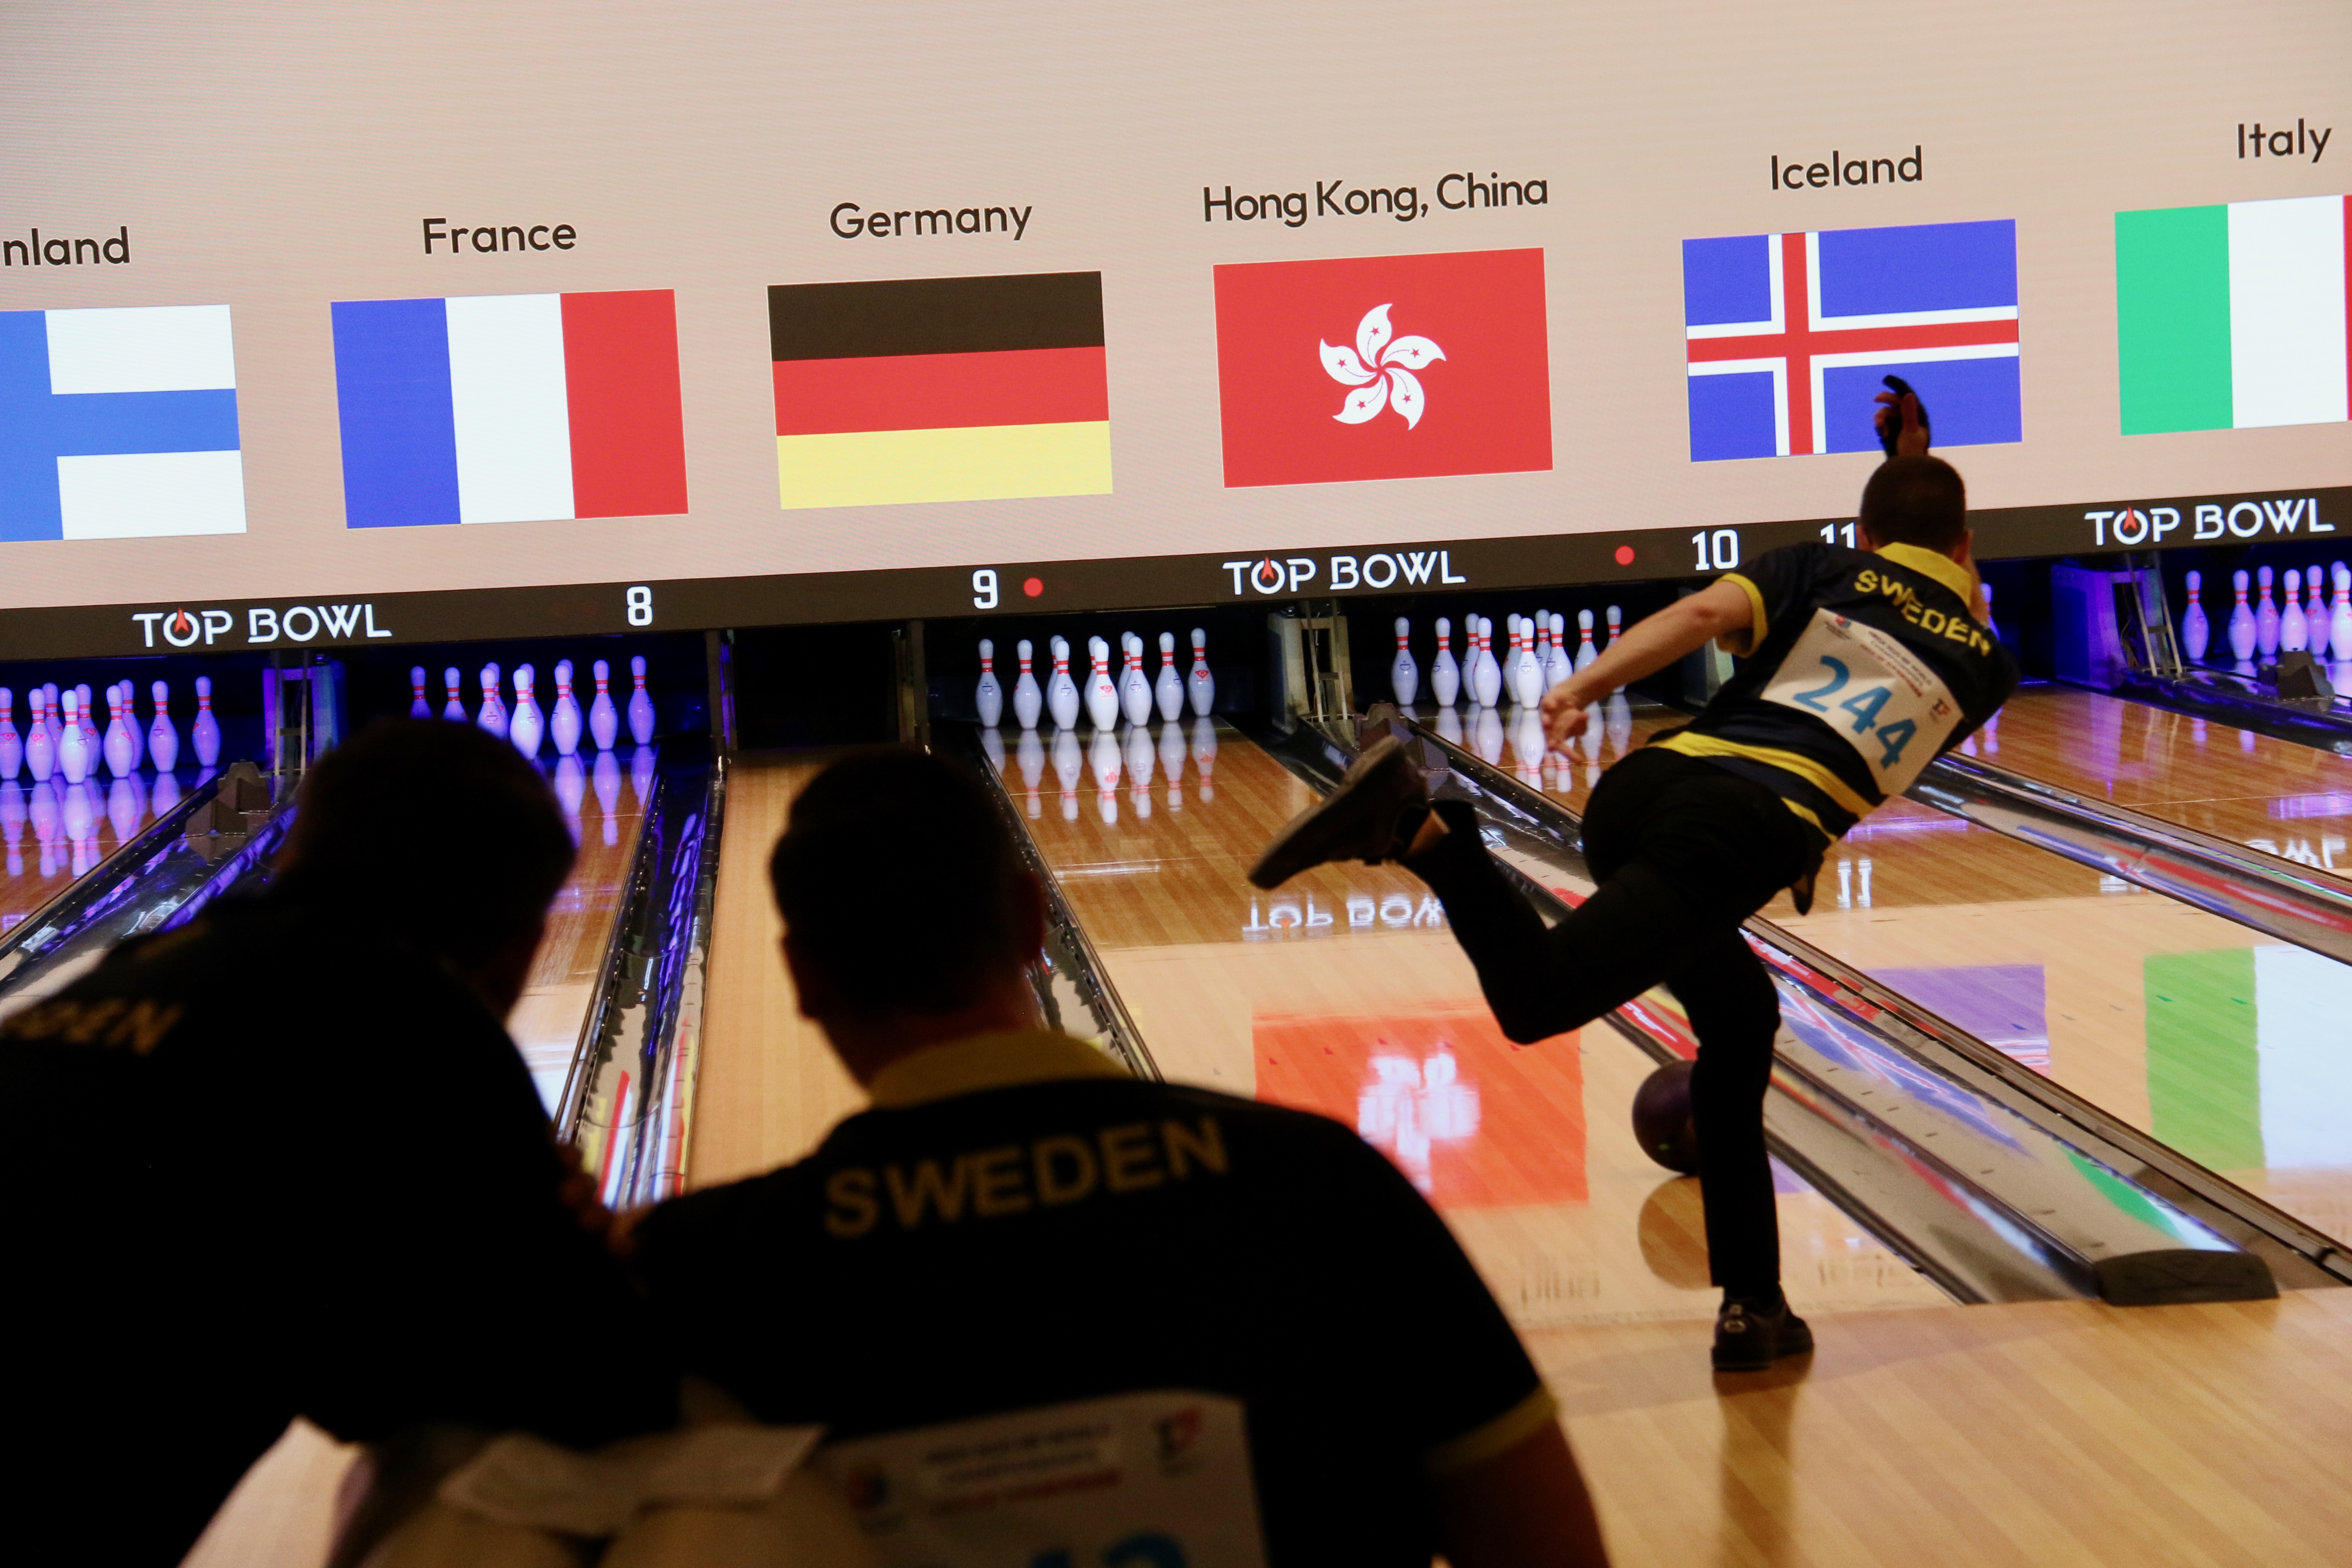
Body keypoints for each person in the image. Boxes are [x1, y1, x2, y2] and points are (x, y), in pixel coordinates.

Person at [630, 748, 1612, 1568]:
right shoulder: (1324, 1188)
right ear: (1033, 923)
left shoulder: (705, 1272)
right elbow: (1548, 1549)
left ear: (803, 978)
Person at [1250, 393, 2017, 1371]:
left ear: (1863, 533)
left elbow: (1700, 614)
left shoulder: (1818, 566)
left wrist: (1582, 686)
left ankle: (1756, 1306)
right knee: (1534, 1003)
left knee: (1741, 1017)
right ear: (1965, 546)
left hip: (1643, 792)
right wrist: (1923, 475)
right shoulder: (1987, 664)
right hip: (1736, 836)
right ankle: (1424, 832)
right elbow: (1951, 603)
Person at [2, 719, 675, 1568]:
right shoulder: (409, 1012)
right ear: (521, 950)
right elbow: (606, 1380)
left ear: (292, 850)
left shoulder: (130, 965)